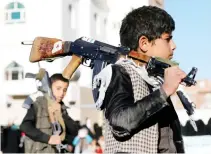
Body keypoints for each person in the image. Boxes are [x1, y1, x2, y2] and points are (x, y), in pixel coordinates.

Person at [93, 6, 186, 153]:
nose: (173, 46)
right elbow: (120, 123)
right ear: (144, 43)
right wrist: (165, 90)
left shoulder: (155, 81)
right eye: (168, 39)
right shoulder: (121, 72)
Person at [20, 73, 79, 153]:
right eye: (58, 88)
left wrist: (61, 114)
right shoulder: (38, 104)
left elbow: (74, 131)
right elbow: (25, 126)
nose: (62, 93)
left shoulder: (62, 107)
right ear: (50, 87)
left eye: (65, 90)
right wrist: (48, 138)